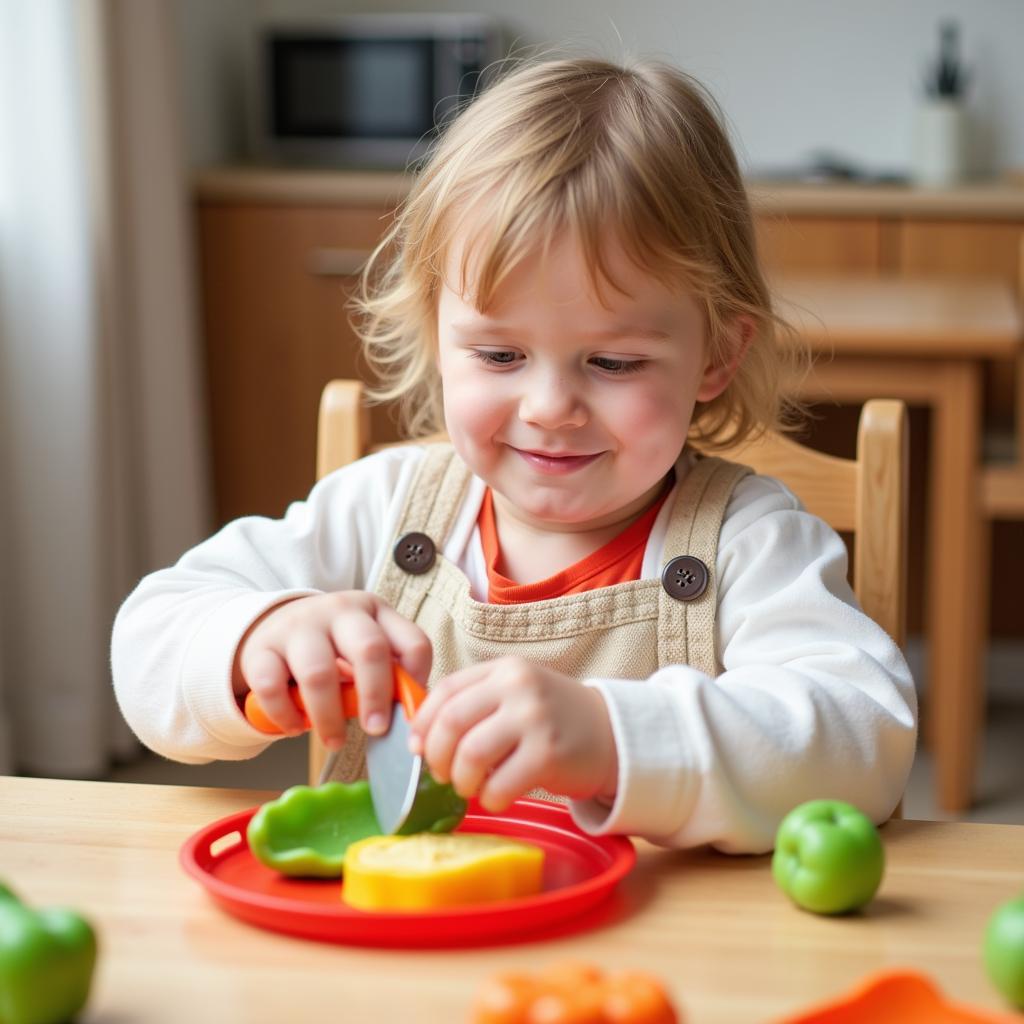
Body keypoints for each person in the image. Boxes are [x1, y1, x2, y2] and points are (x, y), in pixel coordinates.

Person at [111, 57, 916, 853]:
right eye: (499, 357)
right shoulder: (381, 511)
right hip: (393, 956)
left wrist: (613, 736)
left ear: (715, 356)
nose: (550, 409)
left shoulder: (750, 543)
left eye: (614, 363)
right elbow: (150, 640)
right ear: (437, 338)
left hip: (644, 966)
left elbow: (864, 738)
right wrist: (260, 636)